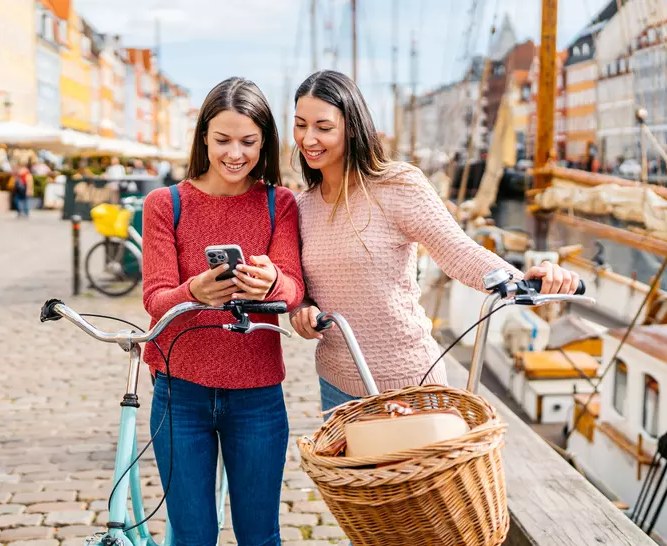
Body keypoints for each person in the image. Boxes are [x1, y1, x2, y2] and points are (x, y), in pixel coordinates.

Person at [287, 70, 581, 412]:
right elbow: (303, 288)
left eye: (323, 127)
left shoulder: (398, 186)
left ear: (351, 127)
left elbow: (457, 251)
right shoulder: (303, 206)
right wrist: (301, 310)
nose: (308, 138)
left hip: (410, 382)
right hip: (336, 385)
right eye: (300, 125)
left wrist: (525, 282)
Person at [141, 77, 304, 545]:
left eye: (249, 142)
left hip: (256, 395)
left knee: (259, 536)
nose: (236, 153)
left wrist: (271, 282)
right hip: (180, 394)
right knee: (192, 537)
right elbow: (155, 300)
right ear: (204, 139)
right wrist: (195, 292)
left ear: (265, 142)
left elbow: (292, 291)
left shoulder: (280, 203)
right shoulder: (164, 204)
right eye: (223, 140)